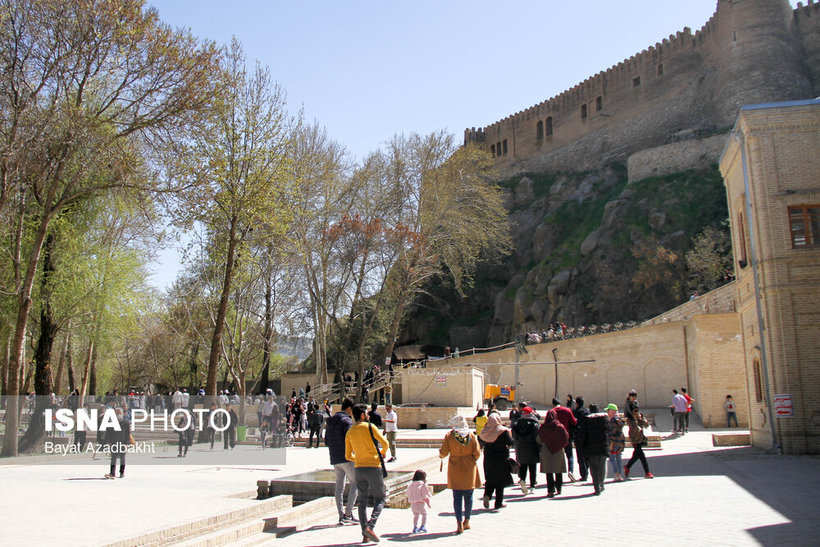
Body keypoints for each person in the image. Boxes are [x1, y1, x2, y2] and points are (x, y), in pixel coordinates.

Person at [345, 403, 389, 543]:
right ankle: (370, 526)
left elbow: (347, 456)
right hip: (373, 467)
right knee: (380, 498)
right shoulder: (371, 427)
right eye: (366, 413)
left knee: (362, 501)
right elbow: (386, 444)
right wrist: (381, 454)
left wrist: (358, 458)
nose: (368, 415)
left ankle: (365, 534)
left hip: (359, 468)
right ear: (363, 415)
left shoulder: (350, 431)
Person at [439, 415, 482, 535]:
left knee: (457, 496)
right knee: (469, 496)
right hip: (469, 468)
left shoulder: (450, 436)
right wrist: (470, 459)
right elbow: (477, 453)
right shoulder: (471, 435)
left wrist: (441, 455)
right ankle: (466, 521)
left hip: (455, 467)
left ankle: (458, 524)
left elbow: (444, 452)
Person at [326, 398, 359, 525]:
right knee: (355, 484)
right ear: (349, 409)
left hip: (335, 458)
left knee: (339, 487)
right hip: (347, 457)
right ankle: (348, 514)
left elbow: (327, 441)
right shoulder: (346, 420)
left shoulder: (331, 421)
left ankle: (341, 515)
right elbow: (352, 439)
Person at [478, 413, 514, 510]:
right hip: (501, 459)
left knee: (490, 479)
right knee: (500, 482)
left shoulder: (484, 432)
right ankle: (498, 503)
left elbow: (480, 442)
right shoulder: (502, 431)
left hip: (488, 459)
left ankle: (487, 495)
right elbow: (510, 442)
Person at [577, 403, 609, 495]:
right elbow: (608, 432)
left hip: (591, 449)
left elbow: (583, 434)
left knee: (594, 468)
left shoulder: (586, 420)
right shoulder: (604, 419)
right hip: (602, 447)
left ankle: (596, 487)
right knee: (602, 467)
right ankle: (601, 484)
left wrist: (581, 444)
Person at [536, 409, 568, 497]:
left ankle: (550, 490)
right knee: (559, 470)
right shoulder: (560, 427)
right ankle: (559, 488)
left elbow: (538, 439)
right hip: (558, 450)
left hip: (547, 450)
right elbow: (566, 438)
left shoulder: (543, 427)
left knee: (548, 471)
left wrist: (545, 443)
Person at [511, 406, 540, 494]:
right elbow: (537, 438)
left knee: (523, 467)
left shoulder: (516, 424)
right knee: (532, 468)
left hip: (521, 448)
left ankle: (523, 480)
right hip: (532, 448)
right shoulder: (534, 424)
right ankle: (532, 486)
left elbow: (514, 437)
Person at [551, 397, 578, 482]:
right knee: (569, 455)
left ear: (553, 404)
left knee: (557, 456)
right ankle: (571, 471)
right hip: (567, 436)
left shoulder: (551, 412)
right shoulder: (567, 410)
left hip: (555, 438)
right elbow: (574, 422)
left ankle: (558, 475)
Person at [624, 407, 654, 479]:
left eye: (637, 410)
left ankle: (627, 466)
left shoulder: (640, 416)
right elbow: (635, 428)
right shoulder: (630, 419)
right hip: (634, 439)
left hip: (640, 438)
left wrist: (642, 419)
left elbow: (647, 425)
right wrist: (635, 420)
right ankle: (647, 472)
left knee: (637, 455)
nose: (636, 412)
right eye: (634, 411)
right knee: (641, 455)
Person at [103, 408, 130, 479]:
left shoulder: (126, 422)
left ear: (122, 413)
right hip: (114, 442)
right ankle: (112, 473)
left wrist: (127, 444)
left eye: (119, 412)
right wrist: (108, 442)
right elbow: (108, 433)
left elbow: (127, 434)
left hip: (122, 443)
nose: (118, 414)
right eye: (117, 413)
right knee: (113, 458)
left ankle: (122, 472)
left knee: (122, 458)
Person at [405, 470, 432, 534]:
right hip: (420, 504)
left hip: (413, 505)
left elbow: (407, 493)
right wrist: (428, 504)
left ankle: (415, 527)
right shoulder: (422, 485)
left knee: (416, 515)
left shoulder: (411, 485)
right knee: (424, 514)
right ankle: (422, 526)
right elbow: (425, 496)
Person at [606, 404, 625, 482]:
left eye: (608, 410)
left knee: (611, 458)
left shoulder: (613, 420)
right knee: (618, 457)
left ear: (612, 411)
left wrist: (611, 443)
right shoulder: (619, 419)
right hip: (620, 442)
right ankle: (619, 474)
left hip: (614, 442)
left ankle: (617, 474)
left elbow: (612, 432)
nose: (607, 412)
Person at [572, 396, 589, 482]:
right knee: (586, 455)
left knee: (580, 456)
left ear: (577, 403)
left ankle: (584, 474)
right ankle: (586, 471)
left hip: (578, 436)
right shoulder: (587, 412)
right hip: (587, 436)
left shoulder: (575, 412)